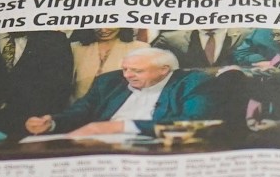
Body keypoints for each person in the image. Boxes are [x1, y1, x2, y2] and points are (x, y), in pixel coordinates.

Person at [27, 47, 222, 138]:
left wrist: (122, 126)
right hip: (97, 147)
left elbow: (193, 121)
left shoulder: (193, 82)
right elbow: (81, 111)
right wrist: (52, 122)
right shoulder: (109, 81)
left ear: (164, 70)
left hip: (153, 149)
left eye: (137, 71)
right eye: (125, 69)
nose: (127, 75)